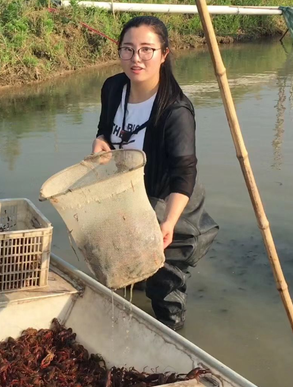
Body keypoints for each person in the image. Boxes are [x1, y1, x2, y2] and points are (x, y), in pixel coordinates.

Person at [91, 16, 219, 331]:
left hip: (171, 201)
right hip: (130, 199)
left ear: (164, 54)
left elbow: (184, 173)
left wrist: (169, 223)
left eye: (147, 50)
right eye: (128, 49)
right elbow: (104, 131)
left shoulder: (175, 110)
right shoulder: (114, 88)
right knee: (124, 271)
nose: (136, 59)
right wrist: (101, 142)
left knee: (165, 287)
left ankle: (173, 339)